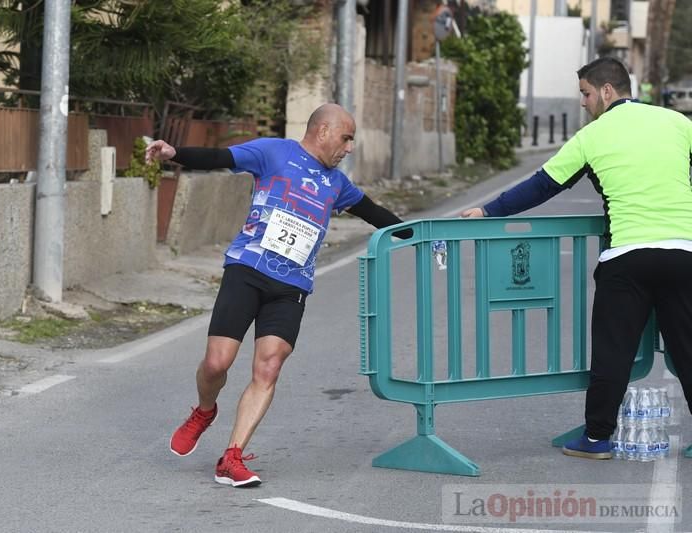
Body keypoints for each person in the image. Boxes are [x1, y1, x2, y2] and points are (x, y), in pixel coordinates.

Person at [145, 103, 413, 486]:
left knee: (268, 367)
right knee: (217, 364)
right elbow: (221, 157)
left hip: (291, 286)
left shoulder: (337, 184)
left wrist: (421, 235)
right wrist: (176, 153)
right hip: (247, 270)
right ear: (323, 131)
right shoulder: (274, 152)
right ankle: (204, 411)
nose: (350, 147)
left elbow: (375, 214)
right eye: (346, 137)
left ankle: (231, 457)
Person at [461, 57, 692, 460]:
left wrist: (488, 211)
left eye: (585, 93)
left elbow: (542, 185)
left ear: (606, 91)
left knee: (613, 352)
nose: (583, 103)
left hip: (629, 257)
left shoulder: (592, 136)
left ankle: (597, 438)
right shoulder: (677, 123)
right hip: (684, 254)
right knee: (689, 350)